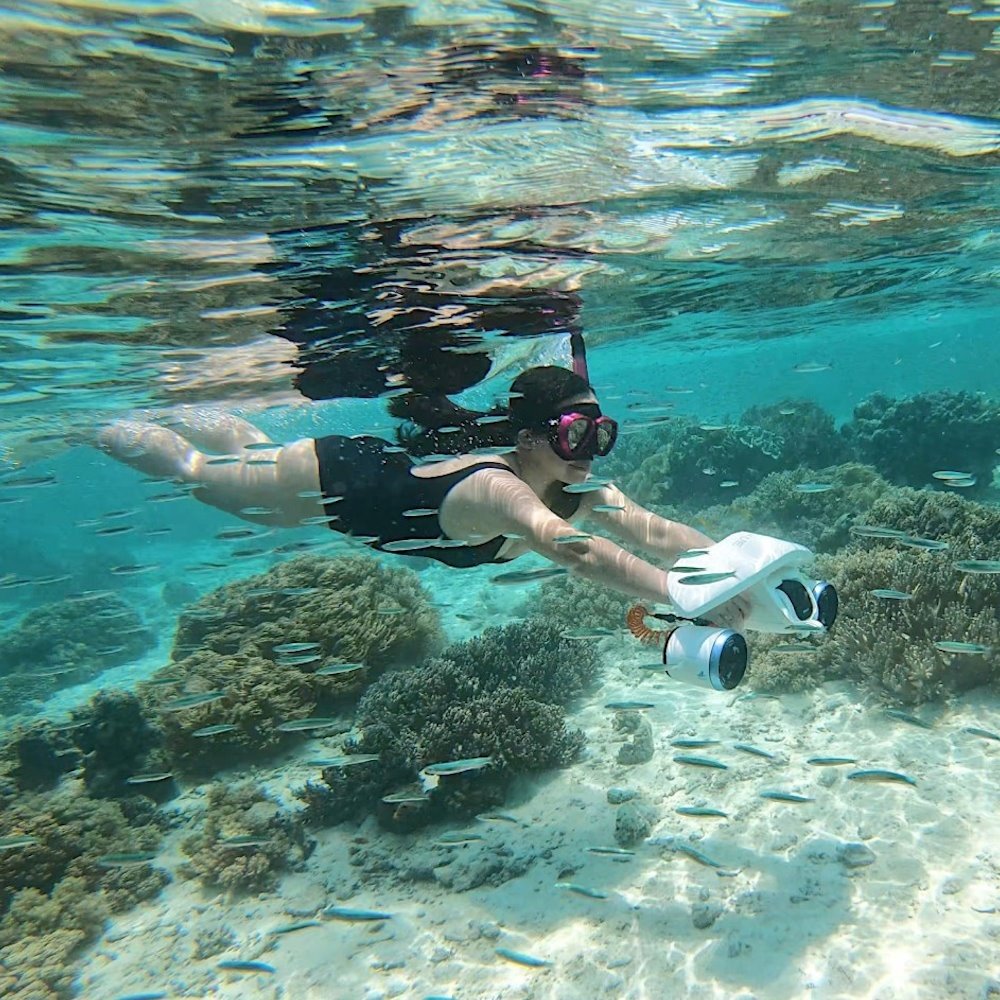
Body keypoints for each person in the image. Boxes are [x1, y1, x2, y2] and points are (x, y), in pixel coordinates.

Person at [97, 366, 747, 628]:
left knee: (247, 451)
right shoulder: (498, 489)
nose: (591, 450)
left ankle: (182, 401)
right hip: (324, 484)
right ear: (528, 438)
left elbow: (653, 531)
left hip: (361, 467)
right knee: (193, 472)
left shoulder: (579, 487)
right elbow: (573, 549)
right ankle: (96, 421)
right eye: (576, 433)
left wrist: (734, 566)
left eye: (599, 434)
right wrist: (680, 594)